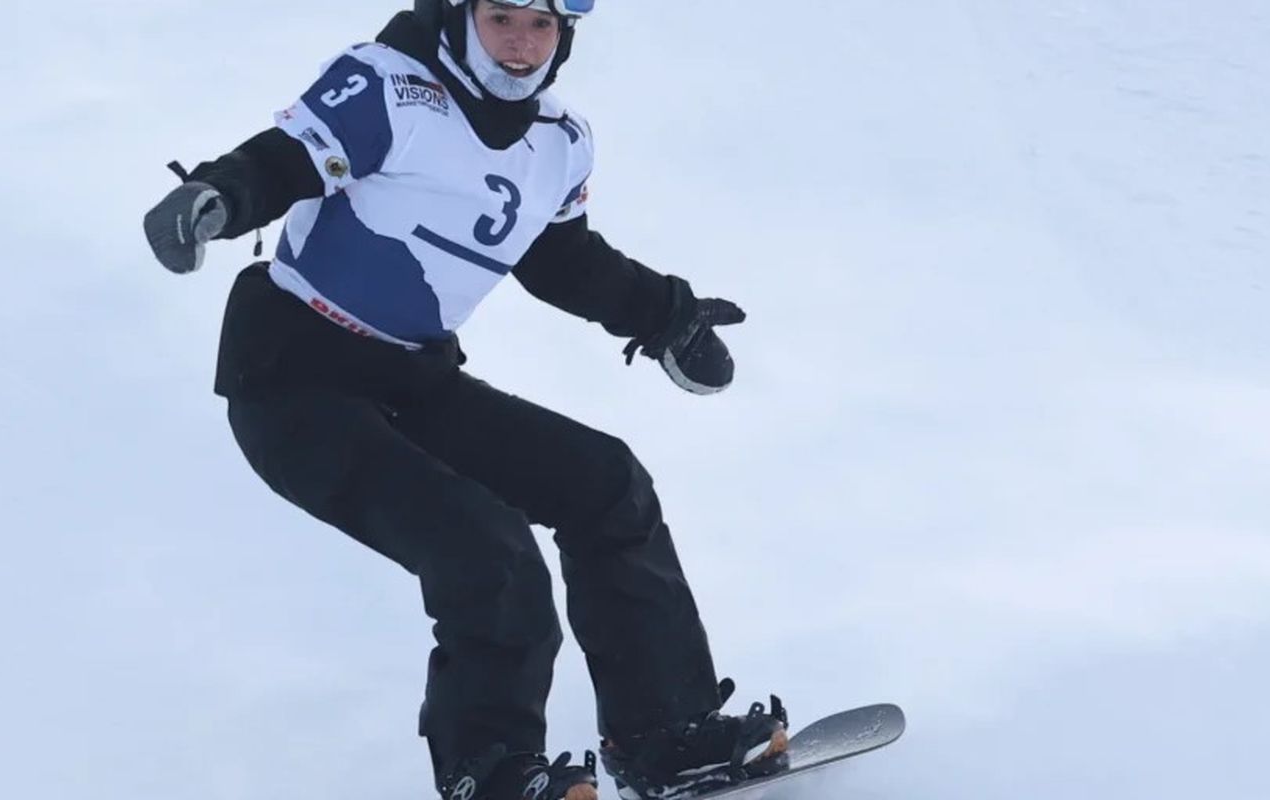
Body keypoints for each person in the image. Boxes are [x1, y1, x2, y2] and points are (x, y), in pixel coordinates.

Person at [142, 2, 789, 798]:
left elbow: (561, 261)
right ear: (458, 13)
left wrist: (666, 316)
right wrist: (216, 195)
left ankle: (664, 736)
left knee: (606, 485)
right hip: (294, 385)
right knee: (486, 548)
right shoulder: (389, 87)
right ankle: (492, 772)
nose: (521, 44)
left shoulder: (559, 141)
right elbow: (282, 162)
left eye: (541, 26)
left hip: (415, 382)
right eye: (501, 17)